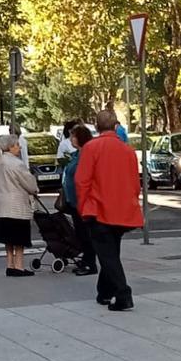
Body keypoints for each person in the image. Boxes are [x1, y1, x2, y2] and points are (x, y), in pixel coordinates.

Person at [76, 110, 144, 311]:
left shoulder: (91, 148)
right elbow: (135, 184)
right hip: (122, 209)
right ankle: (104, 291)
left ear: (96, 127)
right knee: (111, 251)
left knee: (107, 254)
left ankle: (123, 293)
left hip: (98, 209)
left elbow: (82, 181)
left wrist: (83, 207)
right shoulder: (128, 151)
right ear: (116, 126)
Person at [0, 134, 38, 277]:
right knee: (19, 238)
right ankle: (19, 266)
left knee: (8, 239)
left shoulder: (0, 163)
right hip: (16, 205)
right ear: (10, 147)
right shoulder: (17, 164)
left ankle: (10, 264)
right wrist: (35, 189)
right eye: (17, 145)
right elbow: (29, 184)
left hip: (1, 205)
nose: (19, 147)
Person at [61, 125, 97, 275]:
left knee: (86, 233)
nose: (71, 139)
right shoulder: (76, 154)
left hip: (83, 201)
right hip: (74, 200)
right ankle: (85, 260)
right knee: (80, 233)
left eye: (73, 136)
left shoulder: (86, 154)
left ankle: (90, 263)